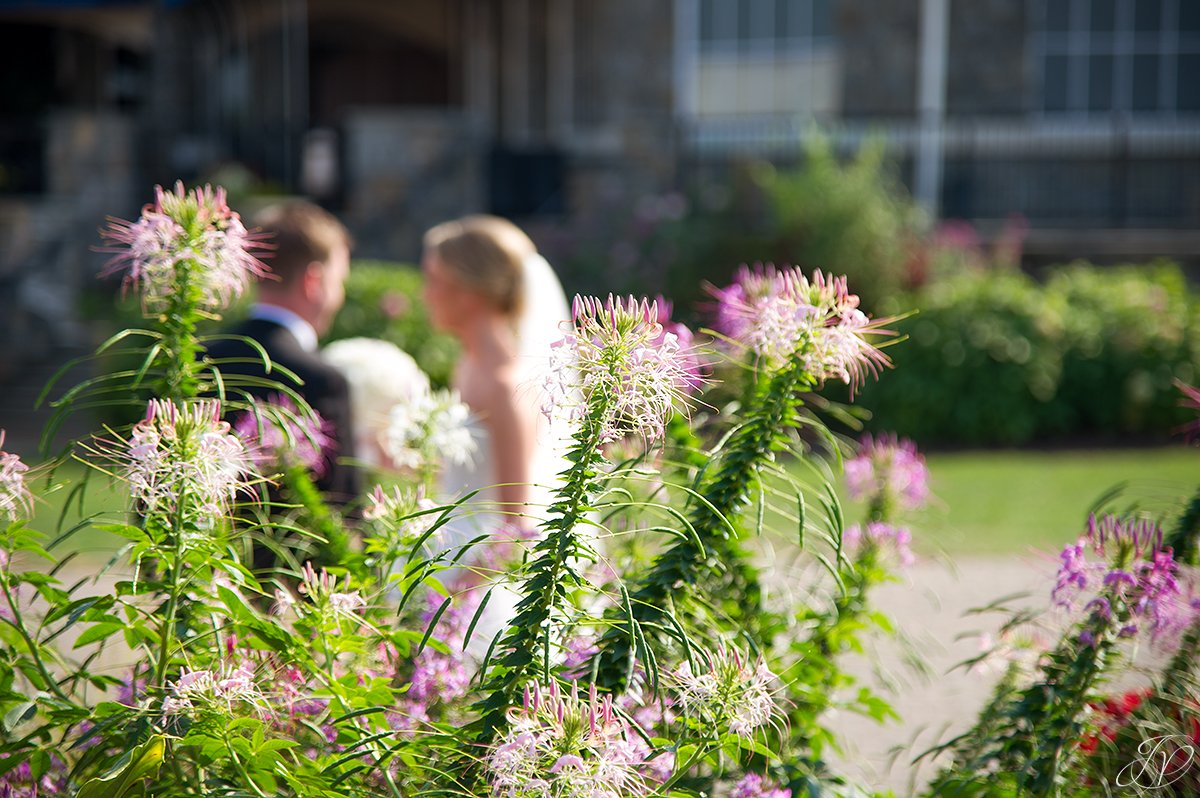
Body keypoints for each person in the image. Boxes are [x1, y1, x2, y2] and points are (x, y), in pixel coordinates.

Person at [420, 214, 571, 556]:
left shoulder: (506, 387)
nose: (424, 294)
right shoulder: (469, 365)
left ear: (470, 291)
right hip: (447, 548)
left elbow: (519, 522)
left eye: (433, 280)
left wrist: (459, 593)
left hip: (478, 575)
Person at [205, 200, 361, 509]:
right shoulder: (321, 380)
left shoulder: (198, 360)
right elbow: (342, 510)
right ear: (313, 281)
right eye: (339, 280)